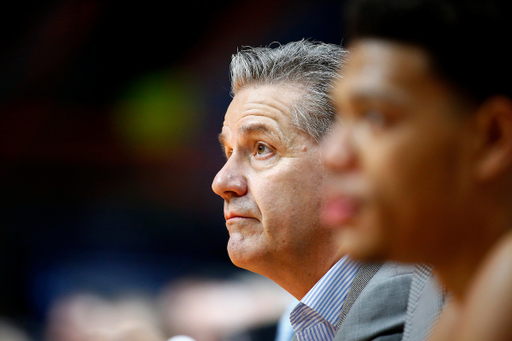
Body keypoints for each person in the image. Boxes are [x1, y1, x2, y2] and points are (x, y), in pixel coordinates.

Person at [322, 0, 512, 340]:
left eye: (375, 117)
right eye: (342, 116)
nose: (334, 154)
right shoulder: (460, 293)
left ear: (491, 138)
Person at [211, 40, 415, 341]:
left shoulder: (398, 304)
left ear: (346, 160)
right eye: (229, 153)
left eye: (261, 149)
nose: (222, 183)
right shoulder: (308, 324)